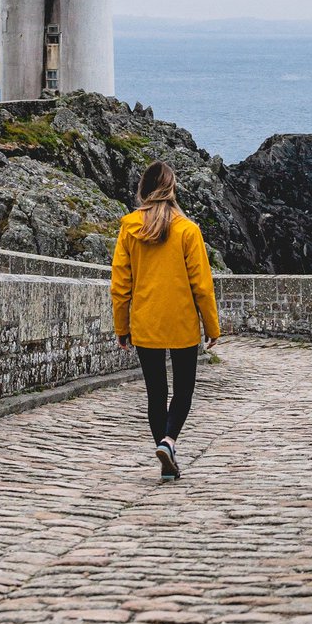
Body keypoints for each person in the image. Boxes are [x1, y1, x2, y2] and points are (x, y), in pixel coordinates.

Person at [110, 160, 220, 479]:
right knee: (183, 391)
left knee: (156, 394)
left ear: (143, 189)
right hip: (182, 323)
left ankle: (164, 454)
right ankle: (169, 442)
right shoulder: (188, 230)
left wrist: (122, 326)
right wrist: (211, 326)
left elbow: (120, 284)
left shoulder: (130, 226)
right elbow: (202, 284)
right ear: (173, 189)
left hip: (145, 323)